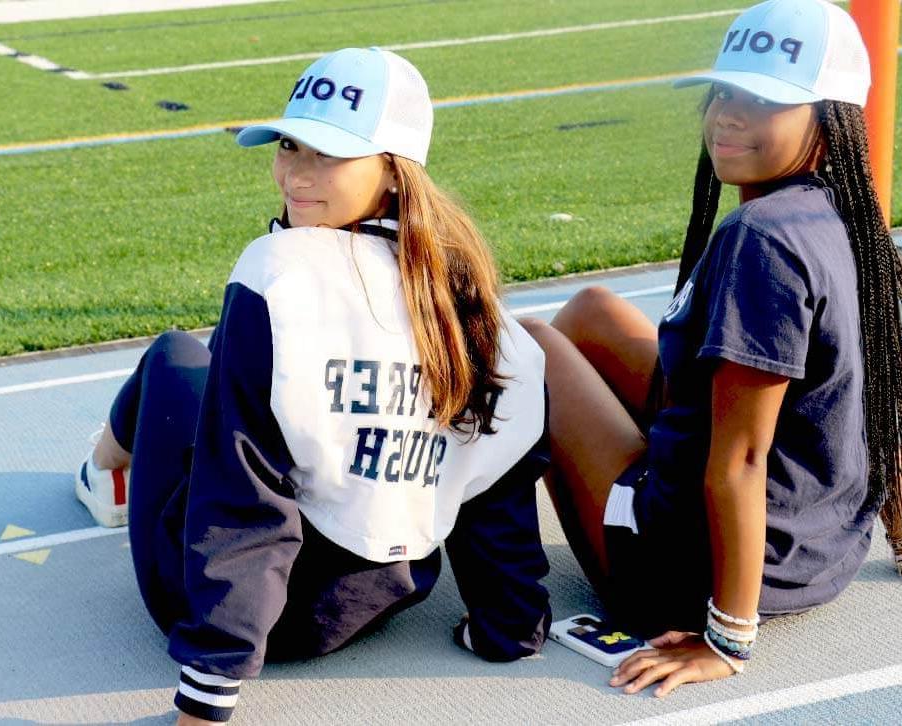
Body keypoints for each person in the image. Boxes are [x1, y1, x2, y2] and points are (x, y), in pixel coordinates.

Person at [75, 48, 551, 724]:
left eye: (328, 154)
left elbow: (243, 492)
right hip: (373, 601)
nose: (295, 172)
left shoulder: (277, 272)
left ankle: (104, 471)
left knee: (175, 356)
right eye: (289, 146)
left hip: (231, 614)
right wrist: (509, 626)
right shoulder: (470, 298)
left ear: (392, 168)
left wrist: (206, 698)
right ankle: (109, 465)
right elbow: (494, 479)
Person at [522, 0, 902, 698]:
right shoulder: (850, 213)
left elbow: (742, 457)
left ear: (830, 116)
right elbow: (876, 387)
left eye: (764, 100)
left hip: (683, 573)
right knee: (590, 311)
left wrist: (724, 636)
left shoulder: (760, 238)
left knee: (525, 347)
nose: (729, 114)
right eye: (723, 91)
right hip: (818, 547)